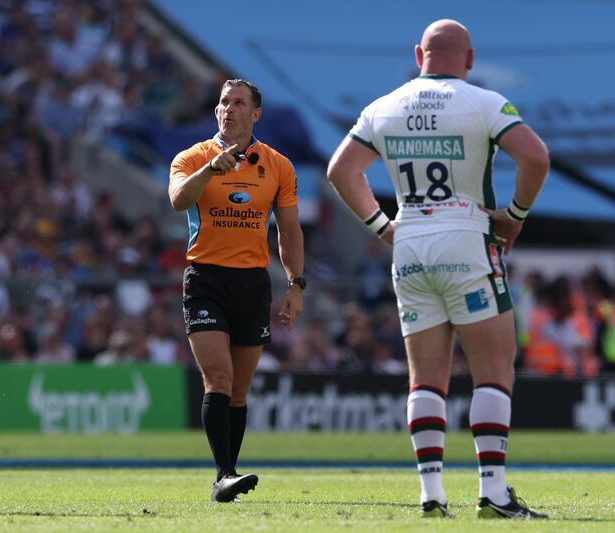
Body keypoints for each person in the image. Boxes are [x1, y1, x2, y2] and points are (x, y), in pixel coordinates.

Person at [327, 20, 549, 519]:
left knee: (424, 379)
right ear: (469, 59)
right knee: (493, 372)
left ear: (417, 54)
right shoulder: (485, 102)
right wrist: (513, 217)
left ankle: (432, 495)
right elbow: (535, 157)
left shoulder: (382, 107)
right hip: (467, 236)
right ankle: (493, 493)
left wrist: (382, 226)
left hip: (409, 242)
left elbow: (341, 170)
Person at [168, 79, 305, 502]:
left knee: (240, 388)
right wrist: (212, 169)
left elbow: (289, 230)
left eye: (238, 103)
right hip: (205, 278)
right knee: (220, 379)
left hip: (252, 283)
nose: (229, 109)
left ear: (256, 113)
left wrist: (296, 284)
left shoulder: (278, 165)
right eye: (224, 103)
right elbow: (176, 199)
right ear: (216, 112)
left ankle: (226, 473)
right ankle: (224, 474)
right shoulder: (193, 157)